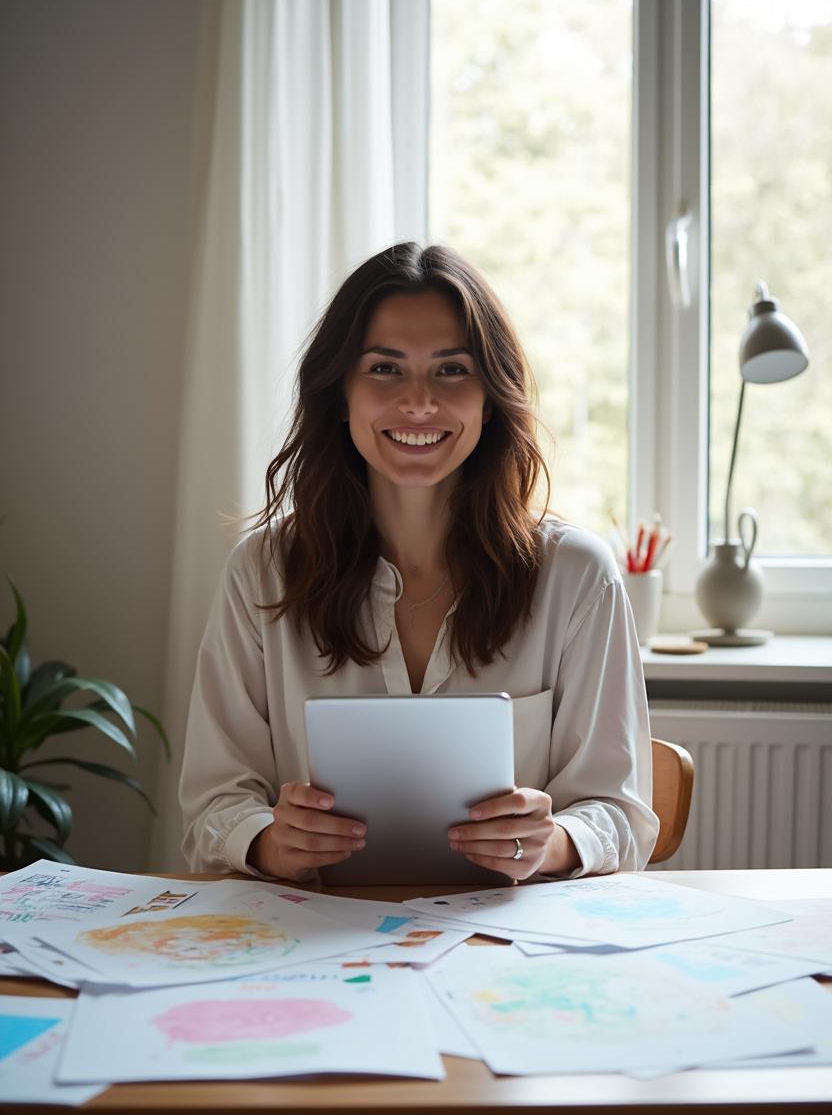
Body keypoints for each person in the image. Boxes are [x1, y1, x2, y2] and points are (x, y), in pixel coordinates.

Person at [179, 242, 658, 884]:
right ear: (339, 393)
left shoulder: (578, 576)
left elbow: (621, 814)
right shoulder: (261, 573)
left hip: (509, 948)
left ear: (491, 398)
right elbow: (212, 806)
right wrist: (266, 839)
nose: (419, 403)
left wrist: (553, 842)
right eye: (384, 369)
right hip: (313, 941)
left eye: (452, 371)